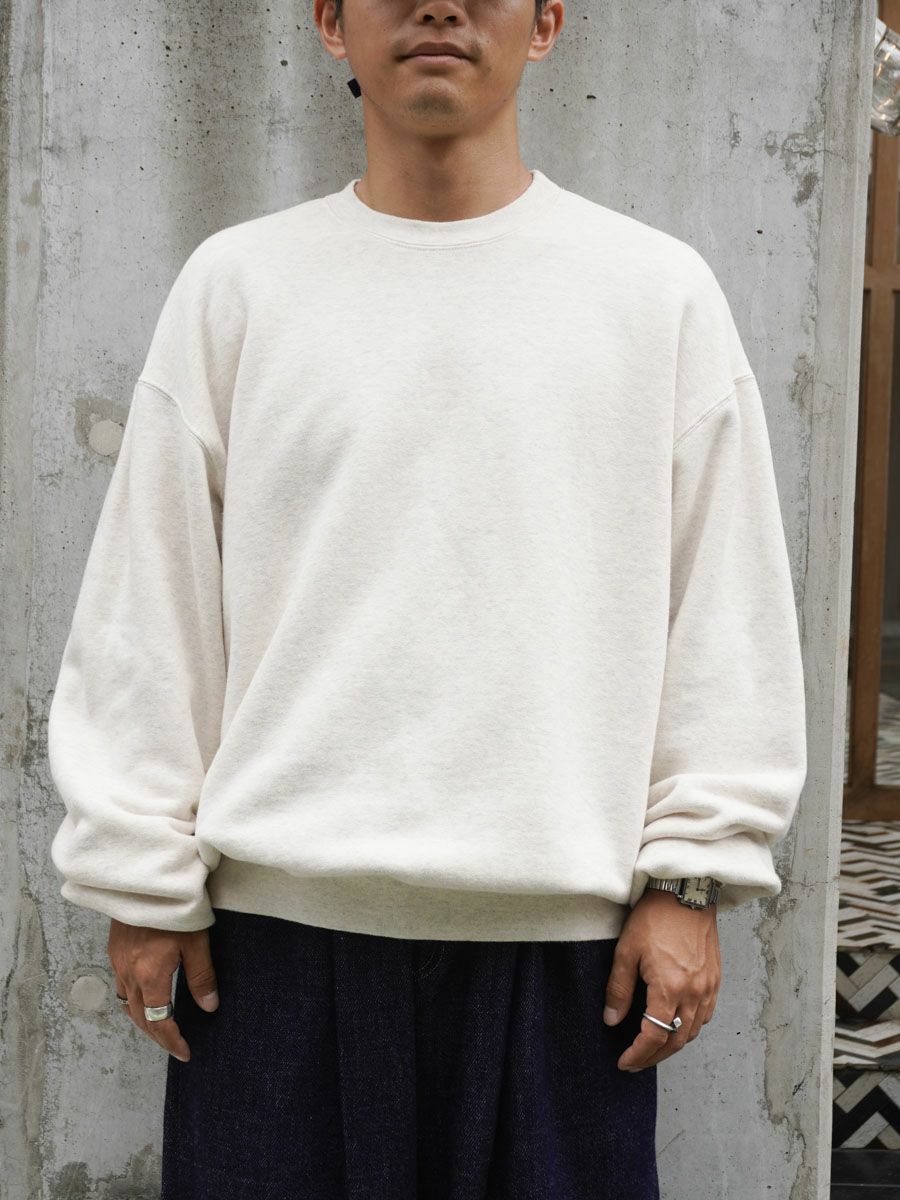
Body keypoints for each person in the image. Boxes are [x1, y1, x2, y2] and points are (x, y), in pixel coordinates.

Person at [46, 1, 808, 1197]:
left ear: (546, 23)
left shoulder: (656, 294)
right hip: (271, 955)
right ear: (332, 23)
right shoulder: (239, 287)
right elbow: (152, 603)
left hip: (567, 962)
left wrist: (691, 879)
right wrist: (140, 880)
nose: (440, 4)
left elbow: (727, 608)